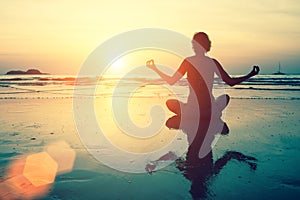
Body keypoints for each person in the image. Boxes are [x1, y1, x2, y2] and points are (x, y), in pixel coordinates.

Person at [146, 32, 260, 160]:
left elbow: (172, 80)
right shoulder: (212, 62)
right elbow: (231, 82)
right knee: (225, 97)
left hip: (192, 112)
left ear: (198, 46)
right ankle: (214, 112)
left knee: (170, 103)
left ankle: (193, 114)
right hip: (210, 113)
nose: (193, 46)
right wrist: (250, 74)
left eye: (194, 44)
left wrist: (155, 68)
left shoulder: (188, 61)